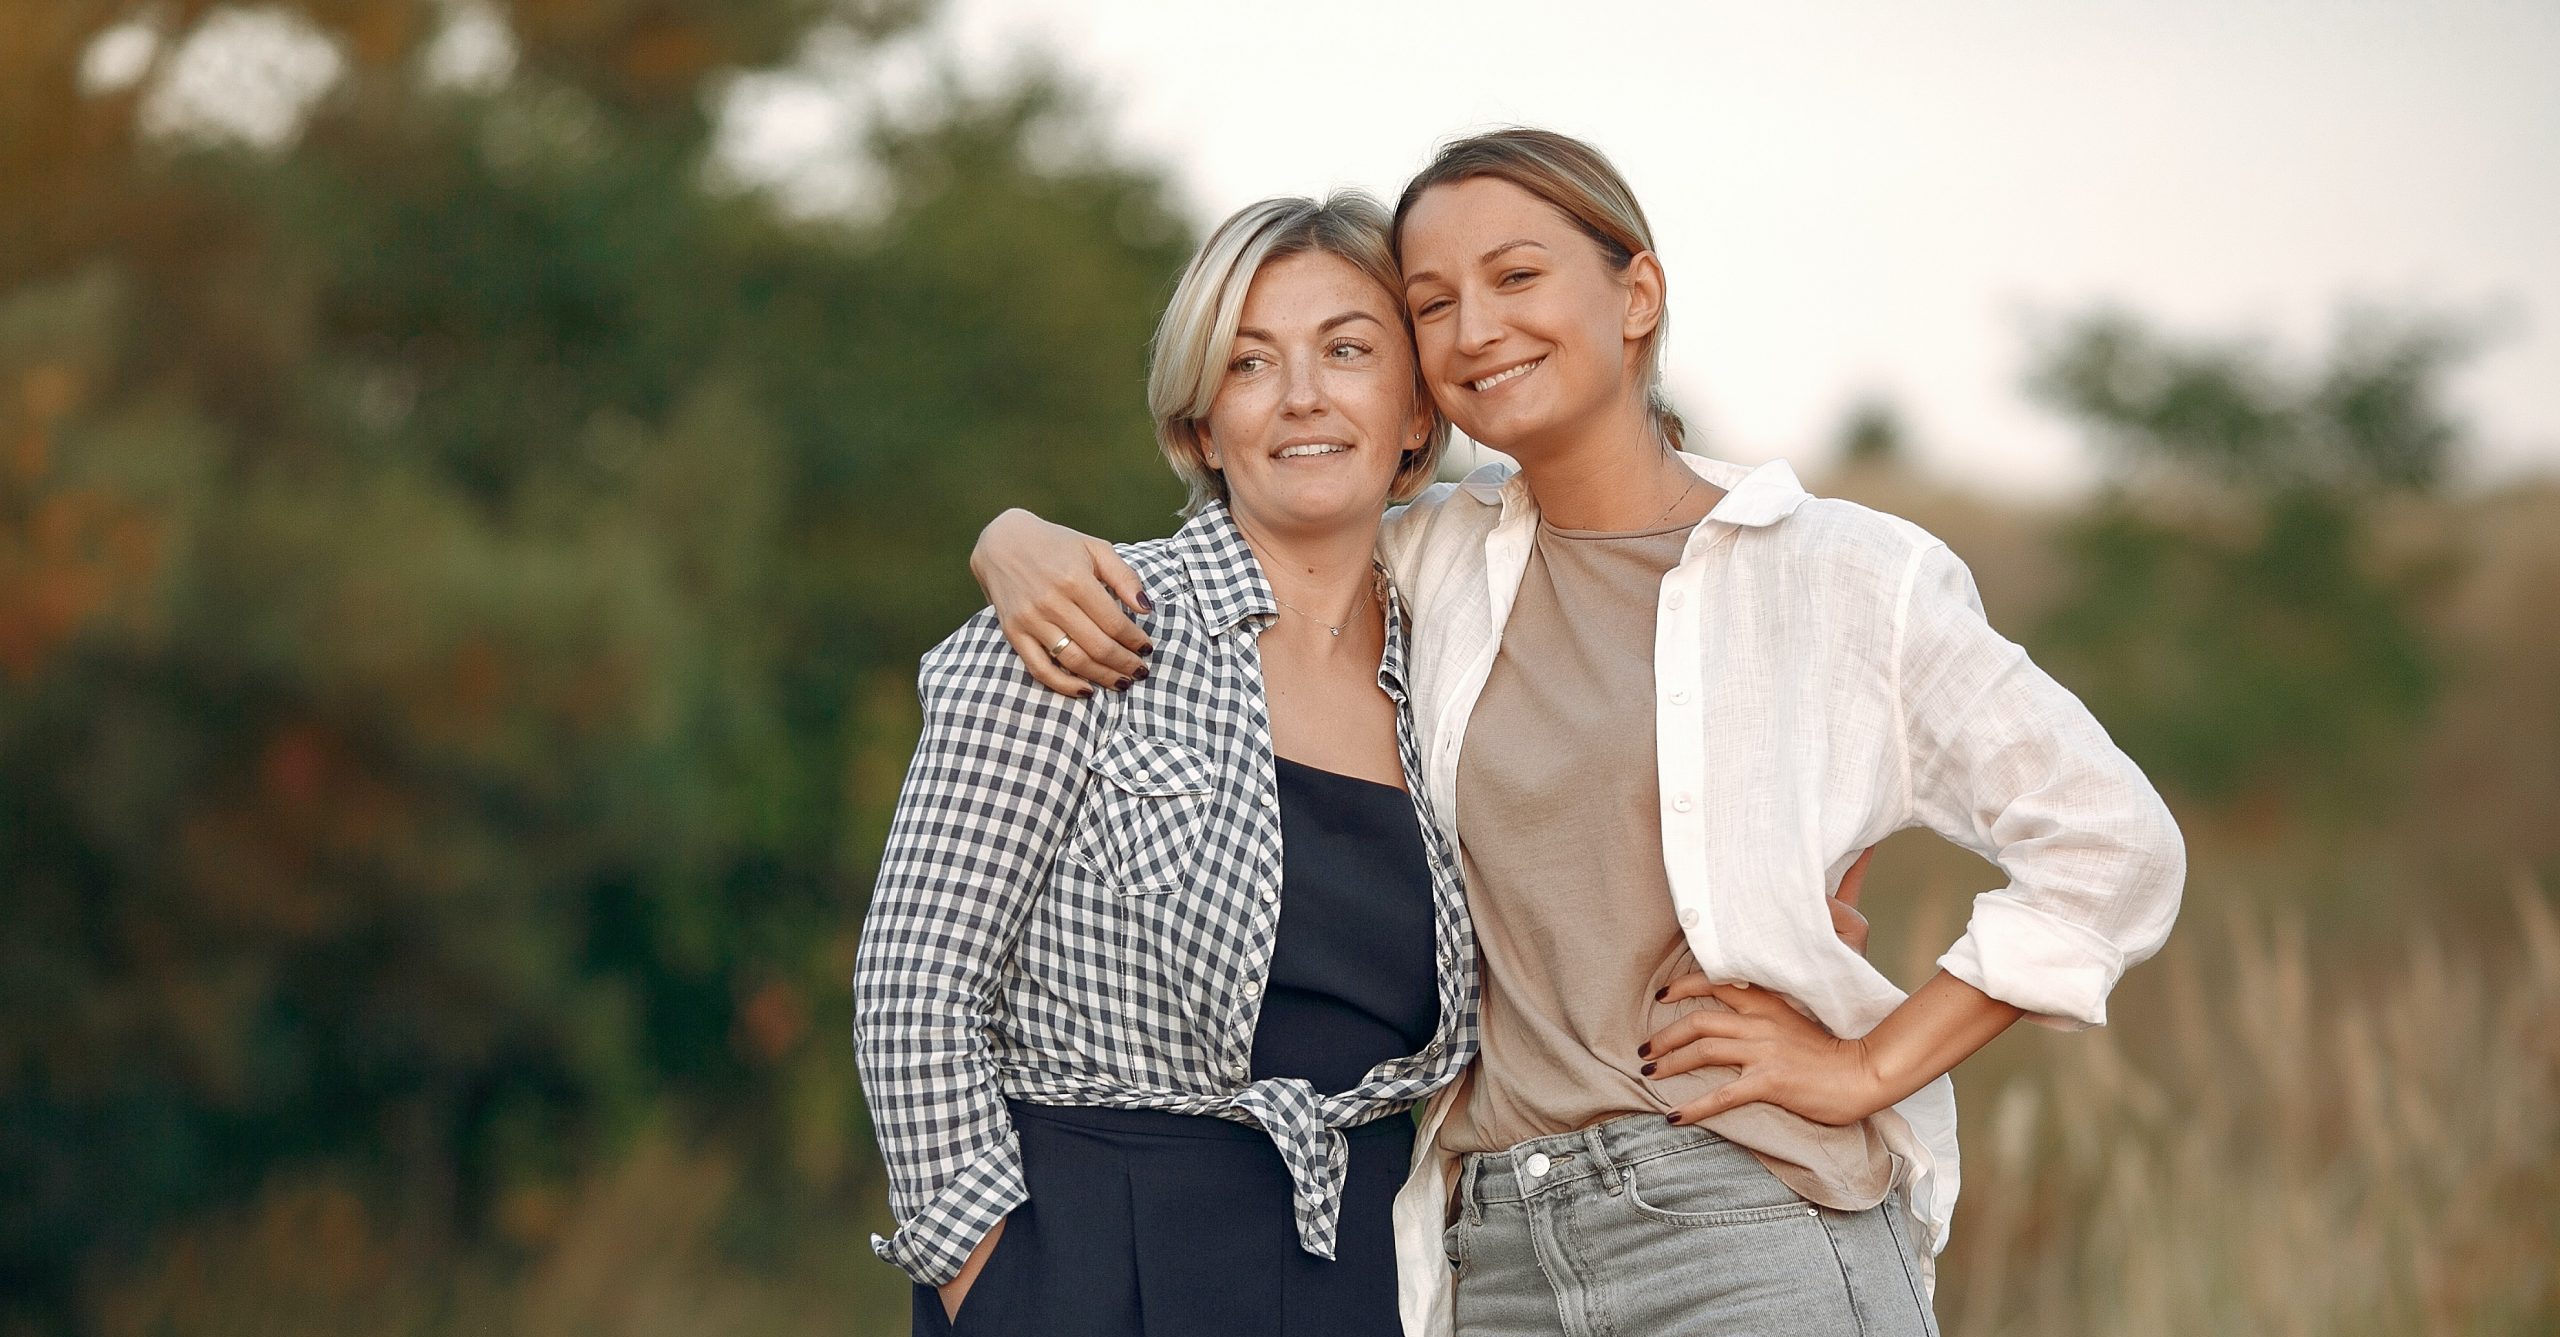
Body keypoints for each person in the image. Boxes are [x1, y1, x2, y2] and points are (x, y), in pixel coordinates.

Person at [968, 128, 2186, 1336]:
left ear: (1636, 292)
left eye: (1515, 276)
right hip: (1490, 1250)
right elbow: (1254, 531)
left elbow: (2109, 846)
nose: (1475, 329)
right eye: (1431, 303)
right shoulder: (1431, 560)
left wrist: (1869, 1066)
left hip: (1742, 1218)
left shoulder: (1844, 574)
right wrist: (1014, 538)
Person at [852, 193, 1482, 1337]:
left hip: (1367, 1263)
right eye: (1250, 364)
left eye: (1346, 350)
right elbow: (915, 991)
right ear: (1201, 425)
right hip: (1089, 1253)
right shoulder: (1081, 623)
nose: (1303, 395)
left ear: (1414, 415)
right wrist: (988, 1279)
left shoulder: (1462, 657)